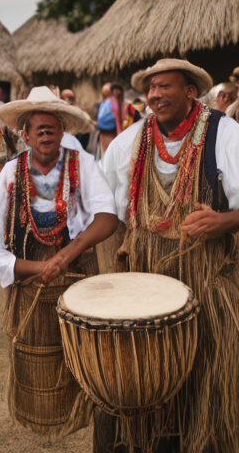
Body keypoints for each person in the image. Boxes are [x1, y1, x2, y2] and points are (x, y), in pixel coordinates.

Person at [101, 59, 239, 453]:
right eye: (150, 88)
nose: (155, 95)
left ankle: (208, 438)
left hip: (207, 277)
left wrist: (224, 221)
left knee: (208, 375)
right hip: (148, 281)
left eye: (165, 86)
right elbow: (106, 207)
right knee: (152, 374)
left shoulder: (225, 135)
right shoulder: (131, 141)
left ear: (191, 92)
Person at [0, 86, 118, 434]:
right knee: (38, 359)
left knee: (84, 355)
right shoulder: (11, 175)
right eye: (36, 127)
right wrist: (39, 268)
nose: (45, 132)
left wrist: (67, 254)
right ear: (24, 134)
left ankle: (85, 411)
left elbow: (107, 216)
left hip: (78, 281)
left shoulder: (81, 164)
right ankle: (44, 416)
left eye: (52, 126)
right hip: (30, 287)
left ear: (62, 131)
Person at [97, 82, 140, 157]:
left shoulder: (121, 103)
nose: (117, 92)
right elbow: (109, 119)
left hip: (116, 133)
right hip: (109, 134)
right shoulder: (110, 103)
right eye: (115, 90)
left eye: (118, 90)